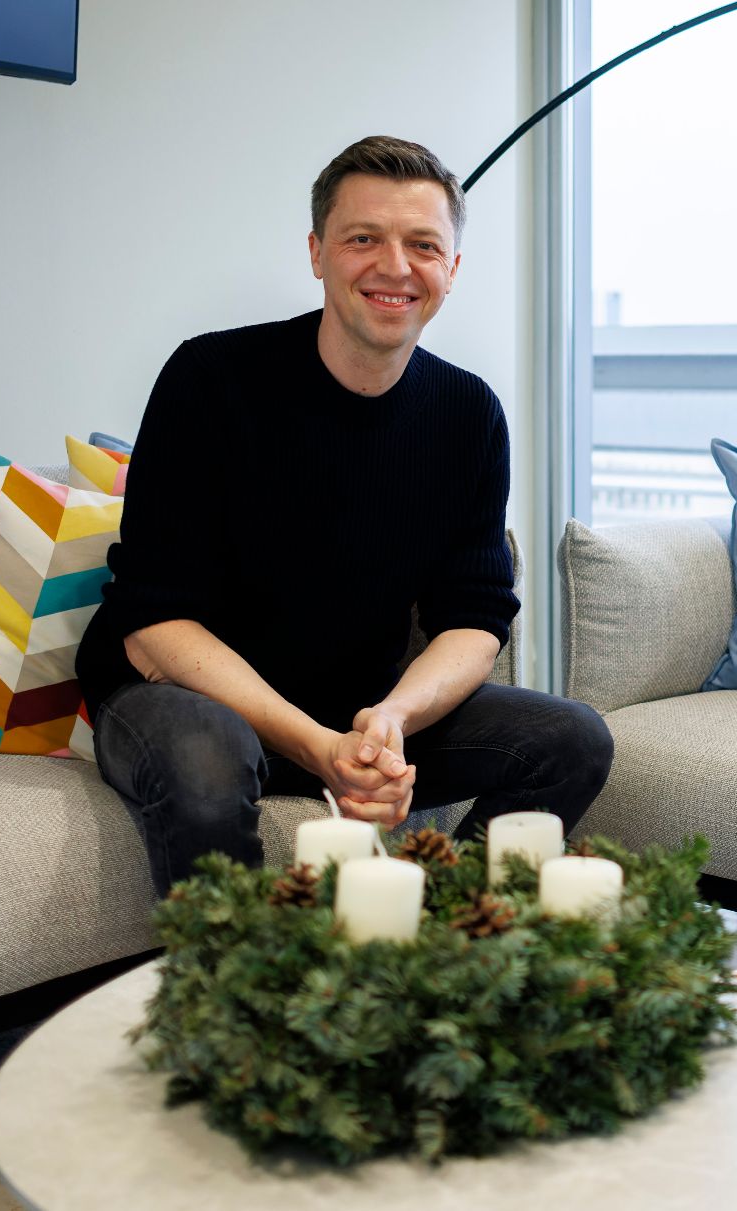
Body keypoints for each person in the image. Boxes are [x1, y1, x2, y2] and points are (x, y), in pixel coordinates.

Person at [76, 136, 612, 897]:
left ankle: (438, 944)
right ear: (318, 253)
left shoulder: (468, 415)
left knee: (571, 739)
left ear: (451, 270)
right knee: (207, 759)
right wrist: (318, 746)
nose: (395, 266)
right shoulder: (211, 378)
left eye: (423, 244)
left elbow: (475, 618)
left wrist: (390, 718)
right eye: (364, 238)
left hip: (355, 702)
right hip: (187, 698)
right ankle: (234, 1004)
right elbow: (154, 624)